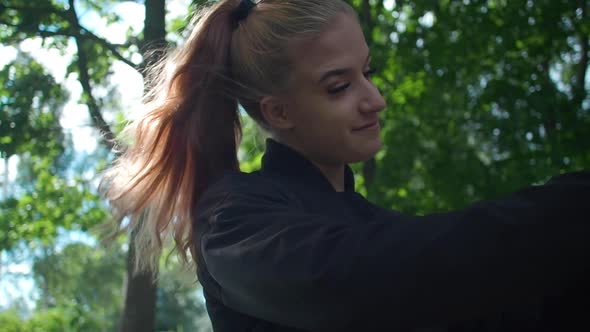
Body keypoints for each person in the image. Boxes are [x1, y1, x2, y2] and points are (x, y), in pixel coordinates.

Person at [101, 0, 590, 331]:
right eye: (339, 86)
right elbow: (370, 280)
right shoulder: (236, 219)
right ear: (279, 112)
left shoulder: (374, 226)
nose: (375, 100)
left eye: (367, 72)